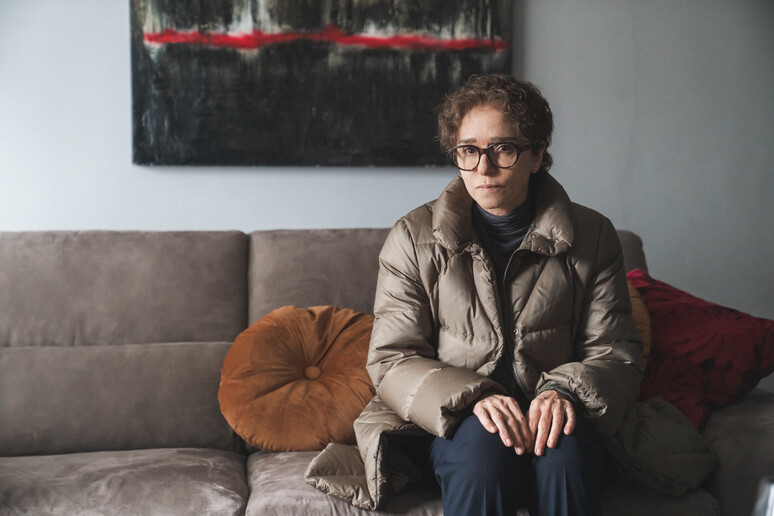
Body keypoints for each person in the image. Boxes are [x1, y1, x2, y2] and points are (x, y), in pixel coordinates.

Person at [364, 74, 644, 516]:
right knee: (483, 450)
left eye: (503, 149)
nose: (484, 168)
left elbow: (614, 351)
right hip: (456, 418)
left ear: (537, 155)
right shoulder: (413, 239)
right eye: (469, 150)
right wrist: (472, 397)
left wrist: (564, 393)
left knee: (564, 454)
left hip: (558, 412)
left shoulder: (592, 235)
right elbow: (392, 358)